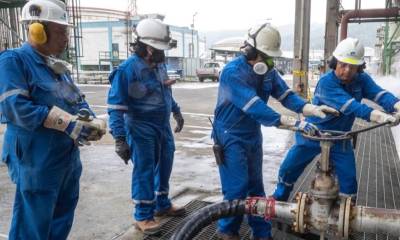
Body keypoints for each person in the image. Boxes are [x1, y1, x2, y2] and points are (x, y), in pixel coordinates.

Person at [212, 23, 338, 240]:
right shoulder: (231, 73)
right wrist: (292, 123)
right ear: (250, 51)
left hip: (252, 135)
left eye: (271, 57)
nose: (269, 62)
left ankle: (261, 233)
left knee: (256, 188)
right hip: (229, 135)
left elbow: (286, 95)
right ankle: (227, 230)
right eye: (265, 56)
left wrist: (310, 108)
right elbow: (255, 107)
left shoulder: (268, 71)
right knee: (236, 190)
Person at [0, 0, 107, 239]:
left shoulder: (58, 68)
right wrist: (67, 123)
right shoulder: (13, 61)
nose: (67, 39)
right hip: (35, 159)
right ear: (38, 31)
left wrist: (89, 119)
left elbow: (75, 100)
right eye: (61, 32)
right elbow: (14, 107)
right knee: (33, 225)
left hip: (65, 157)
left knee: (61, 220)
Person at [272, 37, 400, 203]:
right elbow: (353, 107)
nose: (347, 70)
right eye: (343, 65)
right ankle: (278, 202)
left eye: (353, 66)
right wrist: (382, 116)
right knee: (288, 169)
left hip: (340, 137)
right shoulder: (326, 83)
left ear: (360, 67)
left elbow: (379, 94)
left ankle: (346, 213)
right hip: (312, 134)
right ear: (335, 62)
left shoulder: (362, 80)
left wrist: (396, 104)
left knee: (349, 181)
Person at [107, 18, 185, 234]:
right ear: (149, 49)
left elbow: (165, 91)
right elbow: (116, 107)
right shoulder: (127, 70)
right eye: (161, 49)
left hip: (162, 125)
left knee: (165, 163)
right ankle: (143, 216)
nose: (165, 54)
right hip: (140, 127)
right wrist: (120, 139)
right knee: (144, 170)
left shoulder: (159, 65)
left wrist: (176, 111)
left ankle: (162, 203)